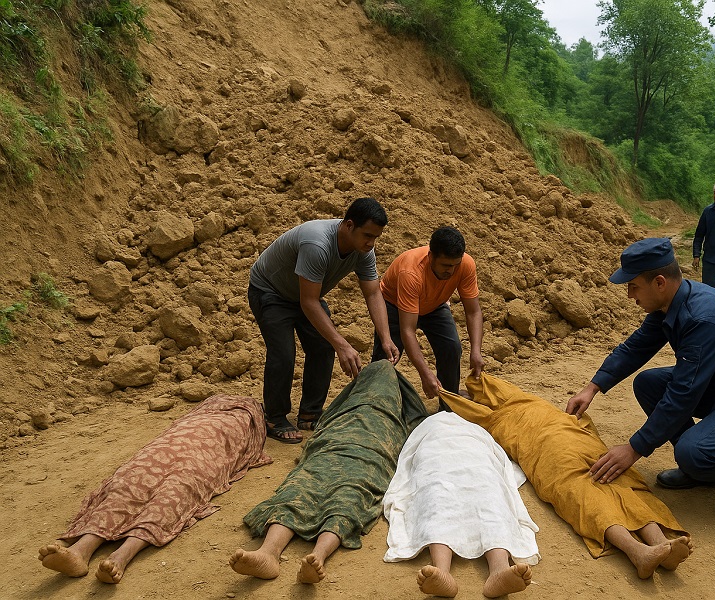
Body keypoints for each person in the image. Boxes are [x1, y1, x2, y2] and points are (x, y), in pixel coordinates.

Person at [566, 238, 715, 517]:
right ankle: (701, 470)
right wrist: (592, 387)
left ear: (660, 282)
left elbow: (683, 393)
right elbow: (636, 347)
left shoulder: (703, 319)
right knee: (649, 384)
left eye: (633, 286)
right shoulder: (672, 301)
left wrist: (634, 449)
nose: (630, 295)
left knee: (693, 452)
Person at [441, 373, 693, 580]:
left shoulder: (515, 399)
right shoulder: (492, 419)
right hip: (546, 451)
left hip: (573, 436)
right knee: (583, 493)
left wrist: (463, 381)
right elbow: (463, 403)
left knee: (620, 478)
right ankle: (637, 551)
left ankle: (660, 543)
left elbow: (478, 379)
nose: (469, 397)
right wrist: (449, 394)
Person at [229, 360, 428, 583]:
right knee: (308, 492)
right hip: (338, 449)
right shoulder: (362, 409)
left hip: (367, 454)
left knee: (335, 496)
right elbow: (417, 425)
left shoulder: (376, 411)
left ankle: (316, 557)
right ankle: (268, 554)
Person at [38, 395, 271, 584]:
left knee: (176, 491)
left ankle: (122, 555)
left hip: (205, 457)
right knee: (128, 481)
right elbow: (179, 426)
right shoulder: (208, 407)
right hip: (167, 445)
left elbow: (243, 452)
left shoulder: (251, 418)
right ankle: (80, 550)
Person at [248, 197, 400, 443]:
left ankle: (310, 413)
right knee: (283, 353)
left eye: (376, 237)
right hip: (271, 291)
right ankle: (274, 417)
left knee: (322, 346)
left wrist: (385, 338)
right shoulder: (317, 243)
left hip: (305, 293)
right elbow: (309, 302)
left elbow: (373, 293)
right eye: (367, 235)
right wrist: (343, 345)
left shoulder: (363, 251)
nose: (371, 243)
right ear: (349, 225)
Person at [383, 411, 538, 598]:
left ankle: (499, 570)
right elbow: (414, 453)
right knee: (437, 497)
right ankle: (441, 571)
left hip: (476, 456)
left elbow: (492, 452)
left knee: (489, 496)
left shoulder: (475, 429)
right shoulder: (430, 425)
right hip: (436, 453)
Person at [373, 226, 483, 399]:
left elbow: (473, 312)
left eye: (455, 265)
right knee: (386, 357)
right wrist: (425, 374)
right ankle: (372, 399)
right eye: (445, 265)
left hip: (434, 304)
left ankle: (449, 400)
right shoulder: (410, 272)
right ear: (431, 256)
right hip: (394, 305)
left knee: (451, 347)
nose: (451, 271)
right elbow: (407, 330)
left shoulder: (465, 264)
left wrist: (476, 351)